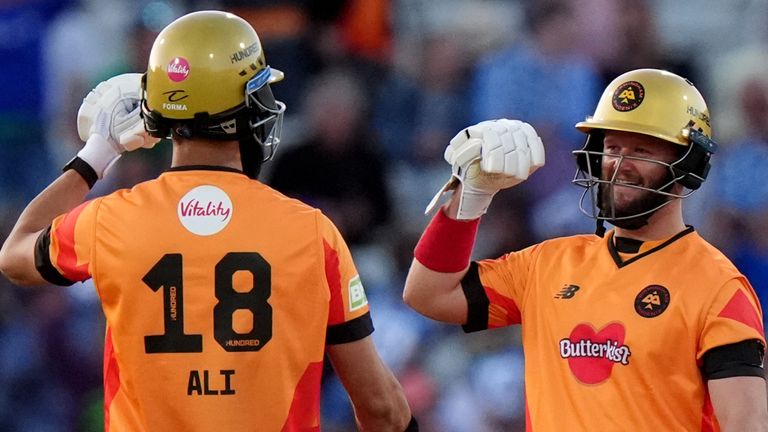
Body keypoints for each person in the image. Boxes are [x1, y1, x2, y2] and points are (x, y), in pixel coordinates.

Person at [0, 10, 416, 432]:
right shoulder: (311, 231)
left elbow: (14, 254)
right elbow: (382, 408)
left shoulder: (112, 219)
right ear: (244, 109)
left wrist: (97, 155)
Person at [403, 68, 768, 430]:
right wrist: (470, 199)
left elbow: (746, 425)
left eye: (641, 150)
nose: (619, 166)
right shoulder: (545, 265)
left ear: (688, 165)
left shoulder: (719, 288)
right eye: (612, 148)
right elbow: (428, 294)